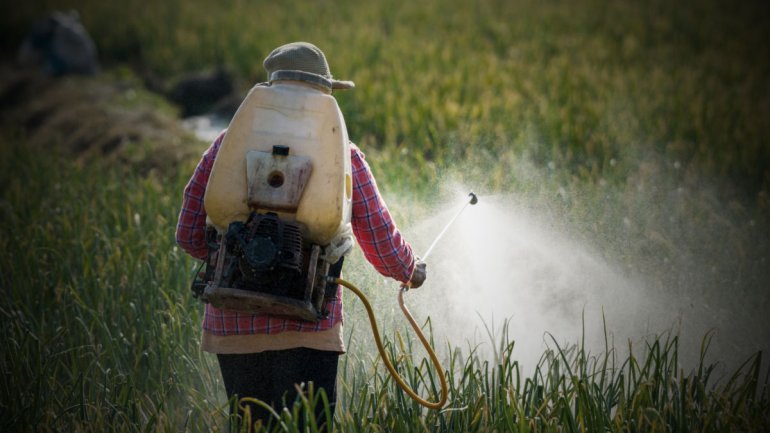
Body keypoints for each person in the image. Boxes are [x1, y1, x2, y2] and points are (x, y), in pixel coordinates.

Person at [175, 41, 426, 431]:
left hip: (233, 328)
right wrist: (410, 270)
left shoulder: (227, 146)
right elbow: (380, 238)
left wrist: (239, 252)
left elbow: (188, 234)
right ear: (324, 94)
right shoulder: (344, 156)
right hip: (309, 328)